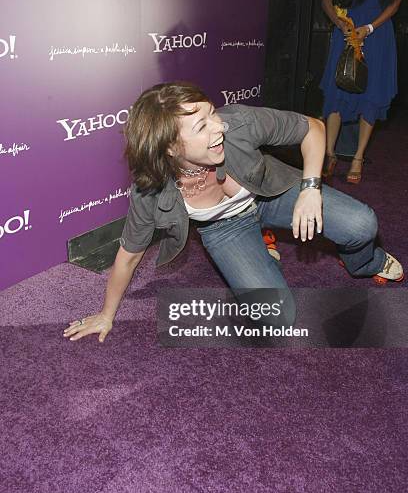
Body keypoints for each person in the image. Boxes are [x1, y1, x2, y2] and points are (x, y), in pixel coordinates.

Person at [62, 81, 404, 343]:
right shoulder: (150, 190)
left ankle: (365, 263)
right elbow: (128, 257)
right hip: (225, 229)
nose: (219, 127)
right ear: (169, 147)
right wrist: (106, 315)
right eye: (202, 127)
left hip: (274, 192)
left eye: (212, 114)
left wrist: (311, 188)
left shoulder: (237, 122)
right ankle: (260, 244)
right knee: (276, 318)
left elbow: (312, 127)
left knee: (362, 224)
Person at [320, 0, 408, 183]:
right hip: (347, 34)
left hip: (378, 34)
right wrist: (341, 24)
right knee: (336, 92)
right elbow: (326, 0)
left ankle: (357, 157)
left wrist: (369, 28)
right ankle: (330, 153)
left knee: (372, 95)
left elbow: (394, 5)